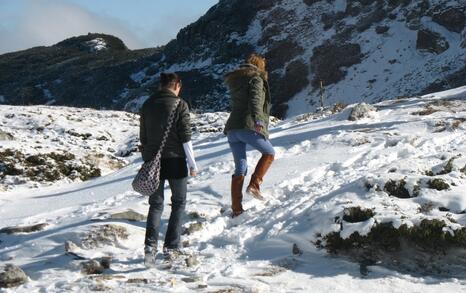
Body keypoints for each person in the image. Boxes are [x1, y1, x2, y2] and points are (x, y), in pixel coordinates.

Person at [139, 72, 197, 267]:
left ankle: (149, 248)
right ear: (177, 85)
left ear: (161, 85)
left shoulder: (147, 105)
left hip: (152, 162)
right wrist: (192, 164)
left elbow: (144, 138)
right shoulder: (180, 105)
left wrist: (148, 159)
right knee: (179, 202)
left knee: (155, 205)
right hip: (176, 160)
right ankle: (171, 247)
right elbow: (186, 137)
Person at [224, 54, 275, 217]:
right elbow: (255, 102)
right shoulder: (256, 78)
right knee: (269, 153)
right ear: (260, 66)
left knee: (240, 167)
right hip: (248, 126)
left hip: (232, 129)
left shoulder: (235, 80)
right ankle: (254, 185)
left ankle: (236, 209)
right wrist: (258, 121)